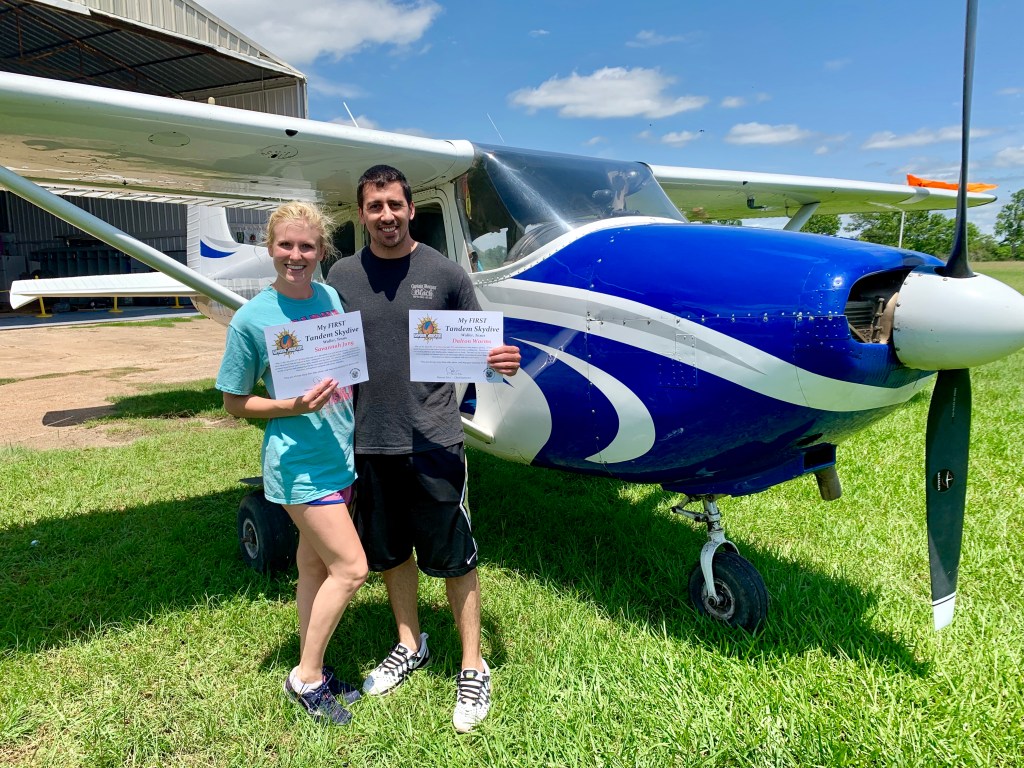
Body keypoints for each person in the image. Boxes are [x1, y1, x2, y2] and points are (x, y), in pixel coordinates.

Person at [326, 165, 521, 733]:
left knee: (456, 557)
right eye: (373, 207)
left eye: (394, 204)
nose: (385, 216)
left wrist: (500, 361)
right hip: (368, 441)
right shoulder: (341, 275)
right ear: (361, 214)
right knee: (389, 555)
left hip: (434, 438)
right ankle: (410, 644)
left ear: (411, 209)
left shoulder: (446, 273)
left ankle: (472, 664)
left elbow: (480, 348)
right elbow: (321, 344)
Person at [216, 201, 367, 726]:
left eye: (307, 246)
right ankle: (304, 678)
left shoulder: (329, 297)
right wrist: (289, 407)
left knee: (314, 565)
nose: (295, 255)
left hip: (339, 454)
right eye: (286, 245)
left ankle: (315, 663)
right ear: (270, 247)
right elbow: (234, 400)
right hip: (299, 464)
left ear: (322, 250)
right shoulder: (251, 318)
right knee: (352, 568)